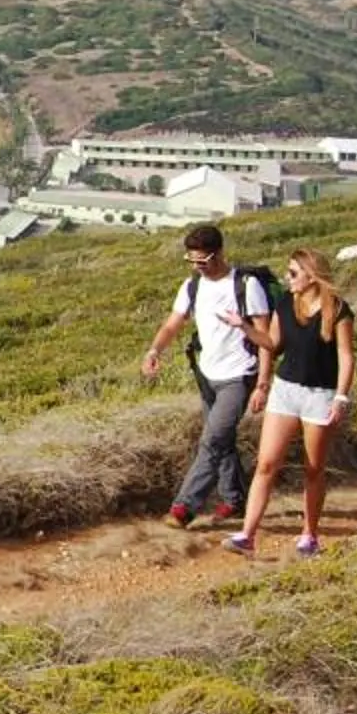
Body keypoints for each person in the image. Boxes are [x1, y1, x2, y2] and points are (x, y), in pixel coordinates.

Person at [224, 249, 357, 558]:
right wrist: (243, 326)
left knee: (313, 469)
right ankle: (247, 535)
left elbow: (346, 356)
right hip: (285, 391)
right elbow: (272, 344)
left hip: (320, 396)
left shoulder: (338, 310)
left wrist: (341, 397)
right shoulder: (286, 303)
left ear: (312, 275)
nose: (288, 278)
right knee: (266, 464)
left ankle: (309, 535)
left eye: (294, 273)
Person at [138, 224, 273, 527]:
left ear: (220, 252)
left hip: (239, 376)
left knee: (212, 440)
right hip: (207, 374)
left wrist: (263, 384)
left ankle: (184, 508)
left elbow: (266, 339)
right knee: (222, 440)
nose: (198, 266)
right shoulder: (192, 286)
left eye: (204, 260)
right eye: (192, 261)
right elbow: (172, 324)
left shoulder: (246, 285)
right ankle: (235, 500)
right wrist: (154, 351)